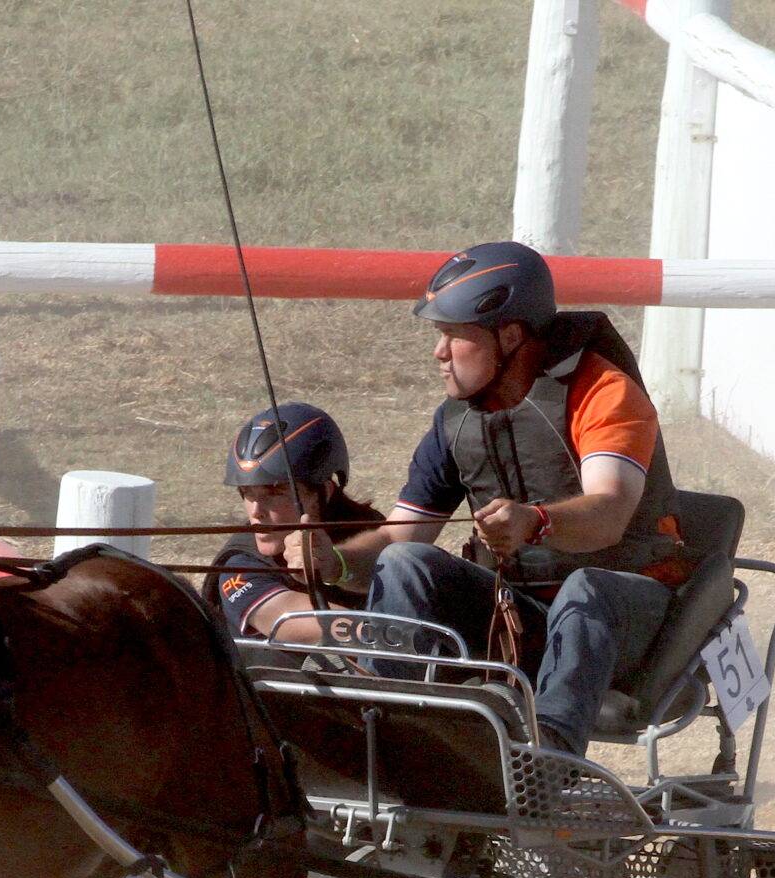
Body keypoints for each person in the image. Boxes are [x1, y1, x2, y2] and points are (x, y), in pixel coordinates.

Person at [325, 240, 691, 755]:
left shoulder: (604, 392)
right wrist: (336, 563)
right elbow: (397, 538)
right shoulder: (454, 422)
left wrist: (534, 521)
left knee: (585, 588)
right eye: (438, 334)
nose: (439, 352)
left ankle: (547, 763)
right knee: (404, 562)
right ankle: (388, 738)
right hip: (522, 617)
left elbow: (609, 511)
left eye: (454, 335)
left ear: (510, 335)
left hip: (630, 620)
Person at [204, 402, 383, 638]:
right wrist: (389, 636)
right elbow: (291, 620)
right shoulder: (240, 566)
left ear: (323, 493)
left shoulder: (370, 530)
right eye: (247, 493)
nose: (256, 511)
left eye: (274, 493)